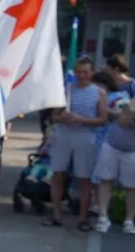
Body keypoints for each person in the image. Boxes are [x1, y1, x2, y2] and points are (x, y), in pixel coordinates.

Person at [46, 57, 107, 230]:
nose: (82, 75)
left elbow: (103, 119)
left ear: (92, 73)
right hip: (64, 135)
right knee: (58, 175)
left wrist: (82, 119)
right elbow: (53, 116)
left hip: (85, 136)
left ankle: (83, 218)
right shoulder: (67, 90)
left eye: (85, 72)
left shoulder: (98, 92)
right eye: (79, 72)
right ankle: (56, 215)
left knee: (84, 178)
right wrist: (62, 117)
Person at [94, 95, 135, 234]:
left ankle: (129, 220)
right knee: (106, 180)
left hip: (132, 150)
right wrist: (130, 111)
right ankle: (103, 217)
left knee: (132, 187)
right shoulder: (131, 102)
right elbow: (123, 121)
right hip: (112, 145)